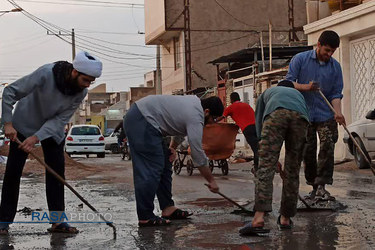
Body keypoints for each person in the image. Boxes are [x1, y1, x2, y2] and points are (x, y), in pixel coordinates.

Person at [0, 51, 102, 235]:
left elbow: (59, 120)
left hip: (51, 131)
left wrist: (36, 138)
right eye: (85, 80)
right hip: (24, 124)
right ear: (74, 72)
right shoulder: (46, 74)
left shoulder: (80, 92)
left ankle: (57, 222)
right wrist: (8, 123)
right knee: (13, 172)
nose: (87, 86)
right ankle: (3, 221)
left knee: (56, 172)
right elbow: (10, 92)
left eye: (91, 82)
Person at [124, 95, 223, 227]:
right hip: (142, 119)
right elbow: (197, 152)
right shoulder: (196, 115)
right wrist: (211, 180)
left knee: (165, 164)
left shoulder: (193, 104)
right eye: (213, 119)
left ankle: (167, 208)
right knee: (151, 168)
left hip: (145, 119)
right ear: (207, 112)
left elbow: (179, 128)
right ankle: (145, 215)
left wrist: (172, 148)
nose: (212, 124)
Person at [239, 80, 309, 235]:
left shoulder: (268, 92)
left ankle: (258, 218)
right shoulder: (299, 95)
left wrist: (265, 151)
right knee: (292, 171)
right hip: (301, 120)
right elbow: (305, 118)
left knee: (265, 168)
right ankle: (285, 218)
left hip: (275, 115)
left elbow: (259, 121)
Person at [286, 30, 345, 199]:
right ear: (318, 45)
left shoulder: (335, 67)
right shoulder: (300, 59)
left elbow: (335, 93)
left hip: (326, 114)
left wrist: (338, 113)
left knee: (328, 145)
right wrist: (307, 87)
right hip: (303, 113)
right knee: (308, 150)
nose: (329, 54)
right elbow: (288, 82)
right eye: (327, 50)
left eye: (332, 51)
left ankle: (322, 185)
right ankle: (313, 185)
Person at [216, 92, 258, 171]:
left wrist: (213, 121)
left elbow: (221, 117)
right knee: (259, 147)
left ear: (231, 99)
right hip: (257, 127)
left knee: (256, 149)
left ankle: (257, 167)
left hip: (247, 129)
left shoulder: (231, 107)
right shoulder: (247, 105)